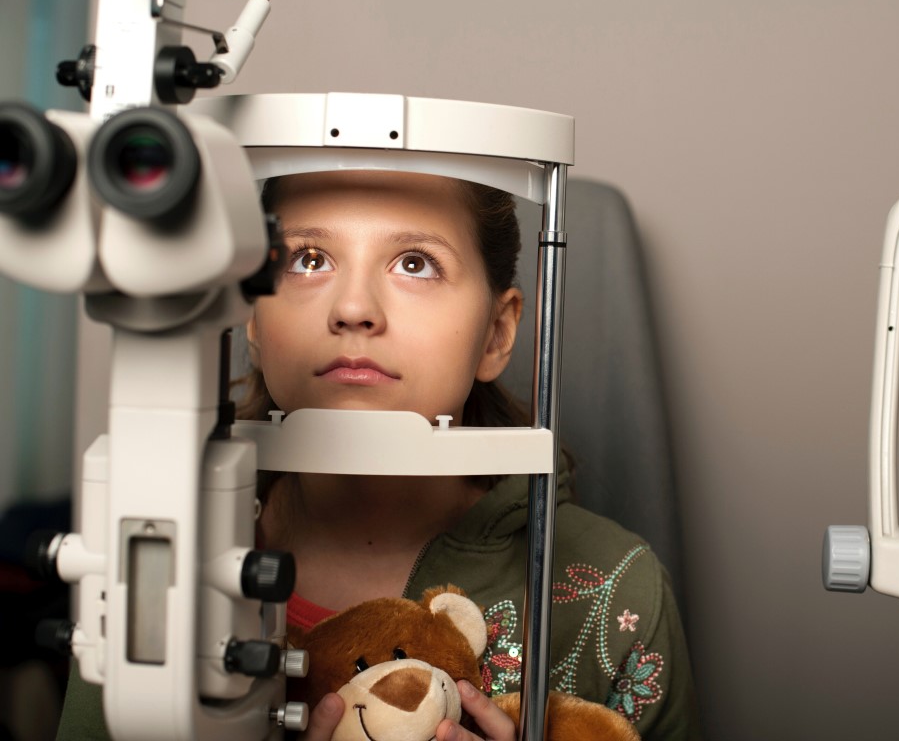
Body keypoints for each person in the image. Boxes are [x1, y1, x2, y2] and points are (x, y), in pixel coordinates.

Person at [55, 169, 699, 741]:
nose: (354, 309)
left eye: (415, 263)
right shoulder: (153, 553)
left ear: (497, 333)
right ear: (250, 315)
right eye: (308, 259)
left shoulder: (617, 590)